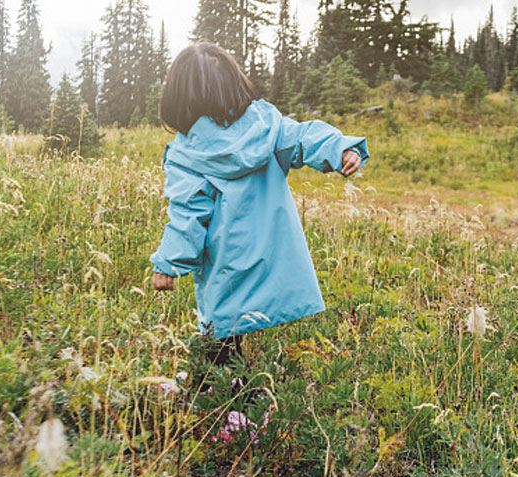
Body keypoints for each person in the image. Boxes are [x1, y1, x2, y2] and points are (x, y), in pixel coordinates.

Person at [150, 43, 369, 364]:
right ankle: (249, 384)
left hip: (226, 263)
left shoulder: (187, 154)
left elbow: (188, 214)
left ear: (178, 97)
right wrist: (341, 148)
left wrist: (169, 262)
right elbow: (304, 136)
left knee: (219, 334)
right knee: (249, 334)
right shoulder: (267, 125)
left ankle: (221, 396)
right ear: (235, 83)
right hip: (271, 256)